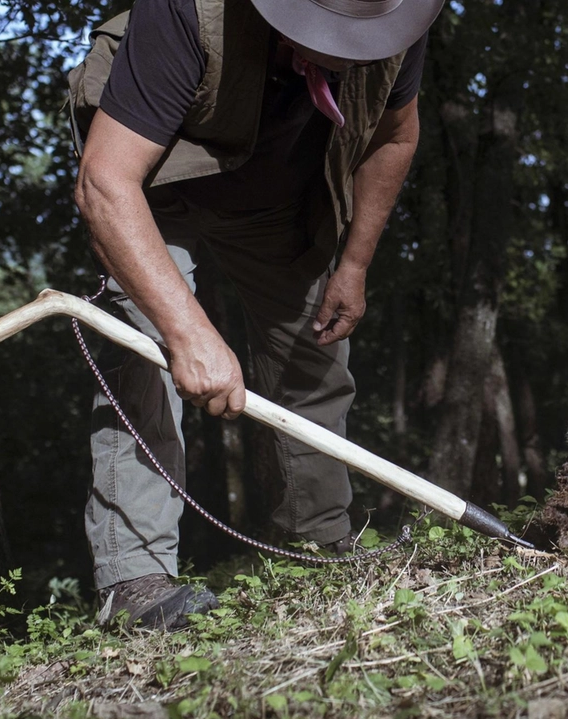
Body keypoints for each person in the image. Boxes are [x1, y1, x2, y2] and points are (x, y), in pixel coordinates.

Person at [67, 0, 444, 630]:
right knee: (146, 347)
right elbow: (106, 182)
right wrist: (189, 332)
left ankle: (319, 549)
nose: (345, 49)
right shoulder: (186, 11)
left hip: (273, 191)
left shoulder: (396, 22)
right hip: (152, 178)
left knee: (312, 358)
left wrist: (353, 264)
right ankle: (132, 581)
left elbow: (394, 136)